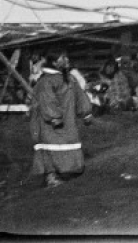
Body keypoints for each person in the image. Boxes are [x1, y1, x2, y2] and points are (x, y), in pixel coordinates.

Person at [29, 51, 93, 188]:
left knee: (68, 142)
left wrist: (86, 112)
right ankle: (51, 176)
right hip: (49, 124)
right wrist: (54, 116)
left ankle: (65, 173)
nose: (66, 60)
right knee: (51, 146)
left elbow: (80, 96)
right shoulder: (45, 81)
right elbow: (47, 100)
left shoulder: (70, 79)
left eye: (66, 57)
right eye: (62, 58)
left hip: (67, 120)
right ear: (54, 62)